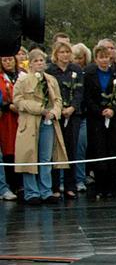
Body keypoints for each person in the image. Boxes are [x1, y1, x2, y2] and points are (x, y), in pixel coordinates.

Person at [12, 49, 69, 204]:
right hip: (30, 123)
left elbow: (58, 99)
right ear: (30, 63)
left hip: (48, 123)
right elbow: (17, 100)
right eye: (36, 61)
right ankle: (31, 192)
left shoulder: (51, 80)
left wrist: (54, 112)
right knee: (29, 156)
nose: (39, 63)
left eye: (41, 61)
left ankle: (46, 190)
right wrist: (39, 109)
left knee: (45, 157)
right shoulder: (22, 80)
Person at [82, 41, 116, 199]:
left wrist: (113, 110)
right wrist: (100, 111)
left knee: (113, 150)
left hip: (114, 119)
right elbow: (87, 98)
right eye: (101, 57)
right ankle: (100, 185)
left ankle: (112, 186)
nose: (104, 60)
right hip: (96, 119)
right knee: (99, 151)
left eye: (107, 57)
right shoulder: (88, 74)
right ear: (95, 59)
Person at [48, 41, 83, 199]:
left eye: (67, 52)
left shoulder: (76, 70)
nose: (65, 55)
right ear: (56, 54)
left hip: (73, 115)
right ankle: (55, 186)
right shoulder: (50, 71)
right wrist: (59, 109)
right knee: (56, 151)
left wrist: (72, 108)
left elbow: (79, 91)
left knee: (71, 150)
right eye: (61, 52)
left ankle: (70, 186)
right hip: (57, 114)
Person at [69, 43, 92, 192]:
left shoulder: (88, 73)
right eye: (75, 58)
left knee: (80, 149)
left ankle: (80, 178)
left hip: (83, 115)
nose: (78, 61)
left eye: (80, 58)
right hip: (69, 115)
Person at [0, 55, 21, 201]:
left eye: (10, 59)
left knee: (19, 150)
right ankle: (6, 185)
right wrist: (8, 105)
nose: (8, 62)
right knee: (6, 150)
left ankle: (19, 184)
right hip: (5, 117)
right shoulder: (1, 78)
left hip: (20, 118)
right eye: (4, 60)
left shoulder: (22, 75)